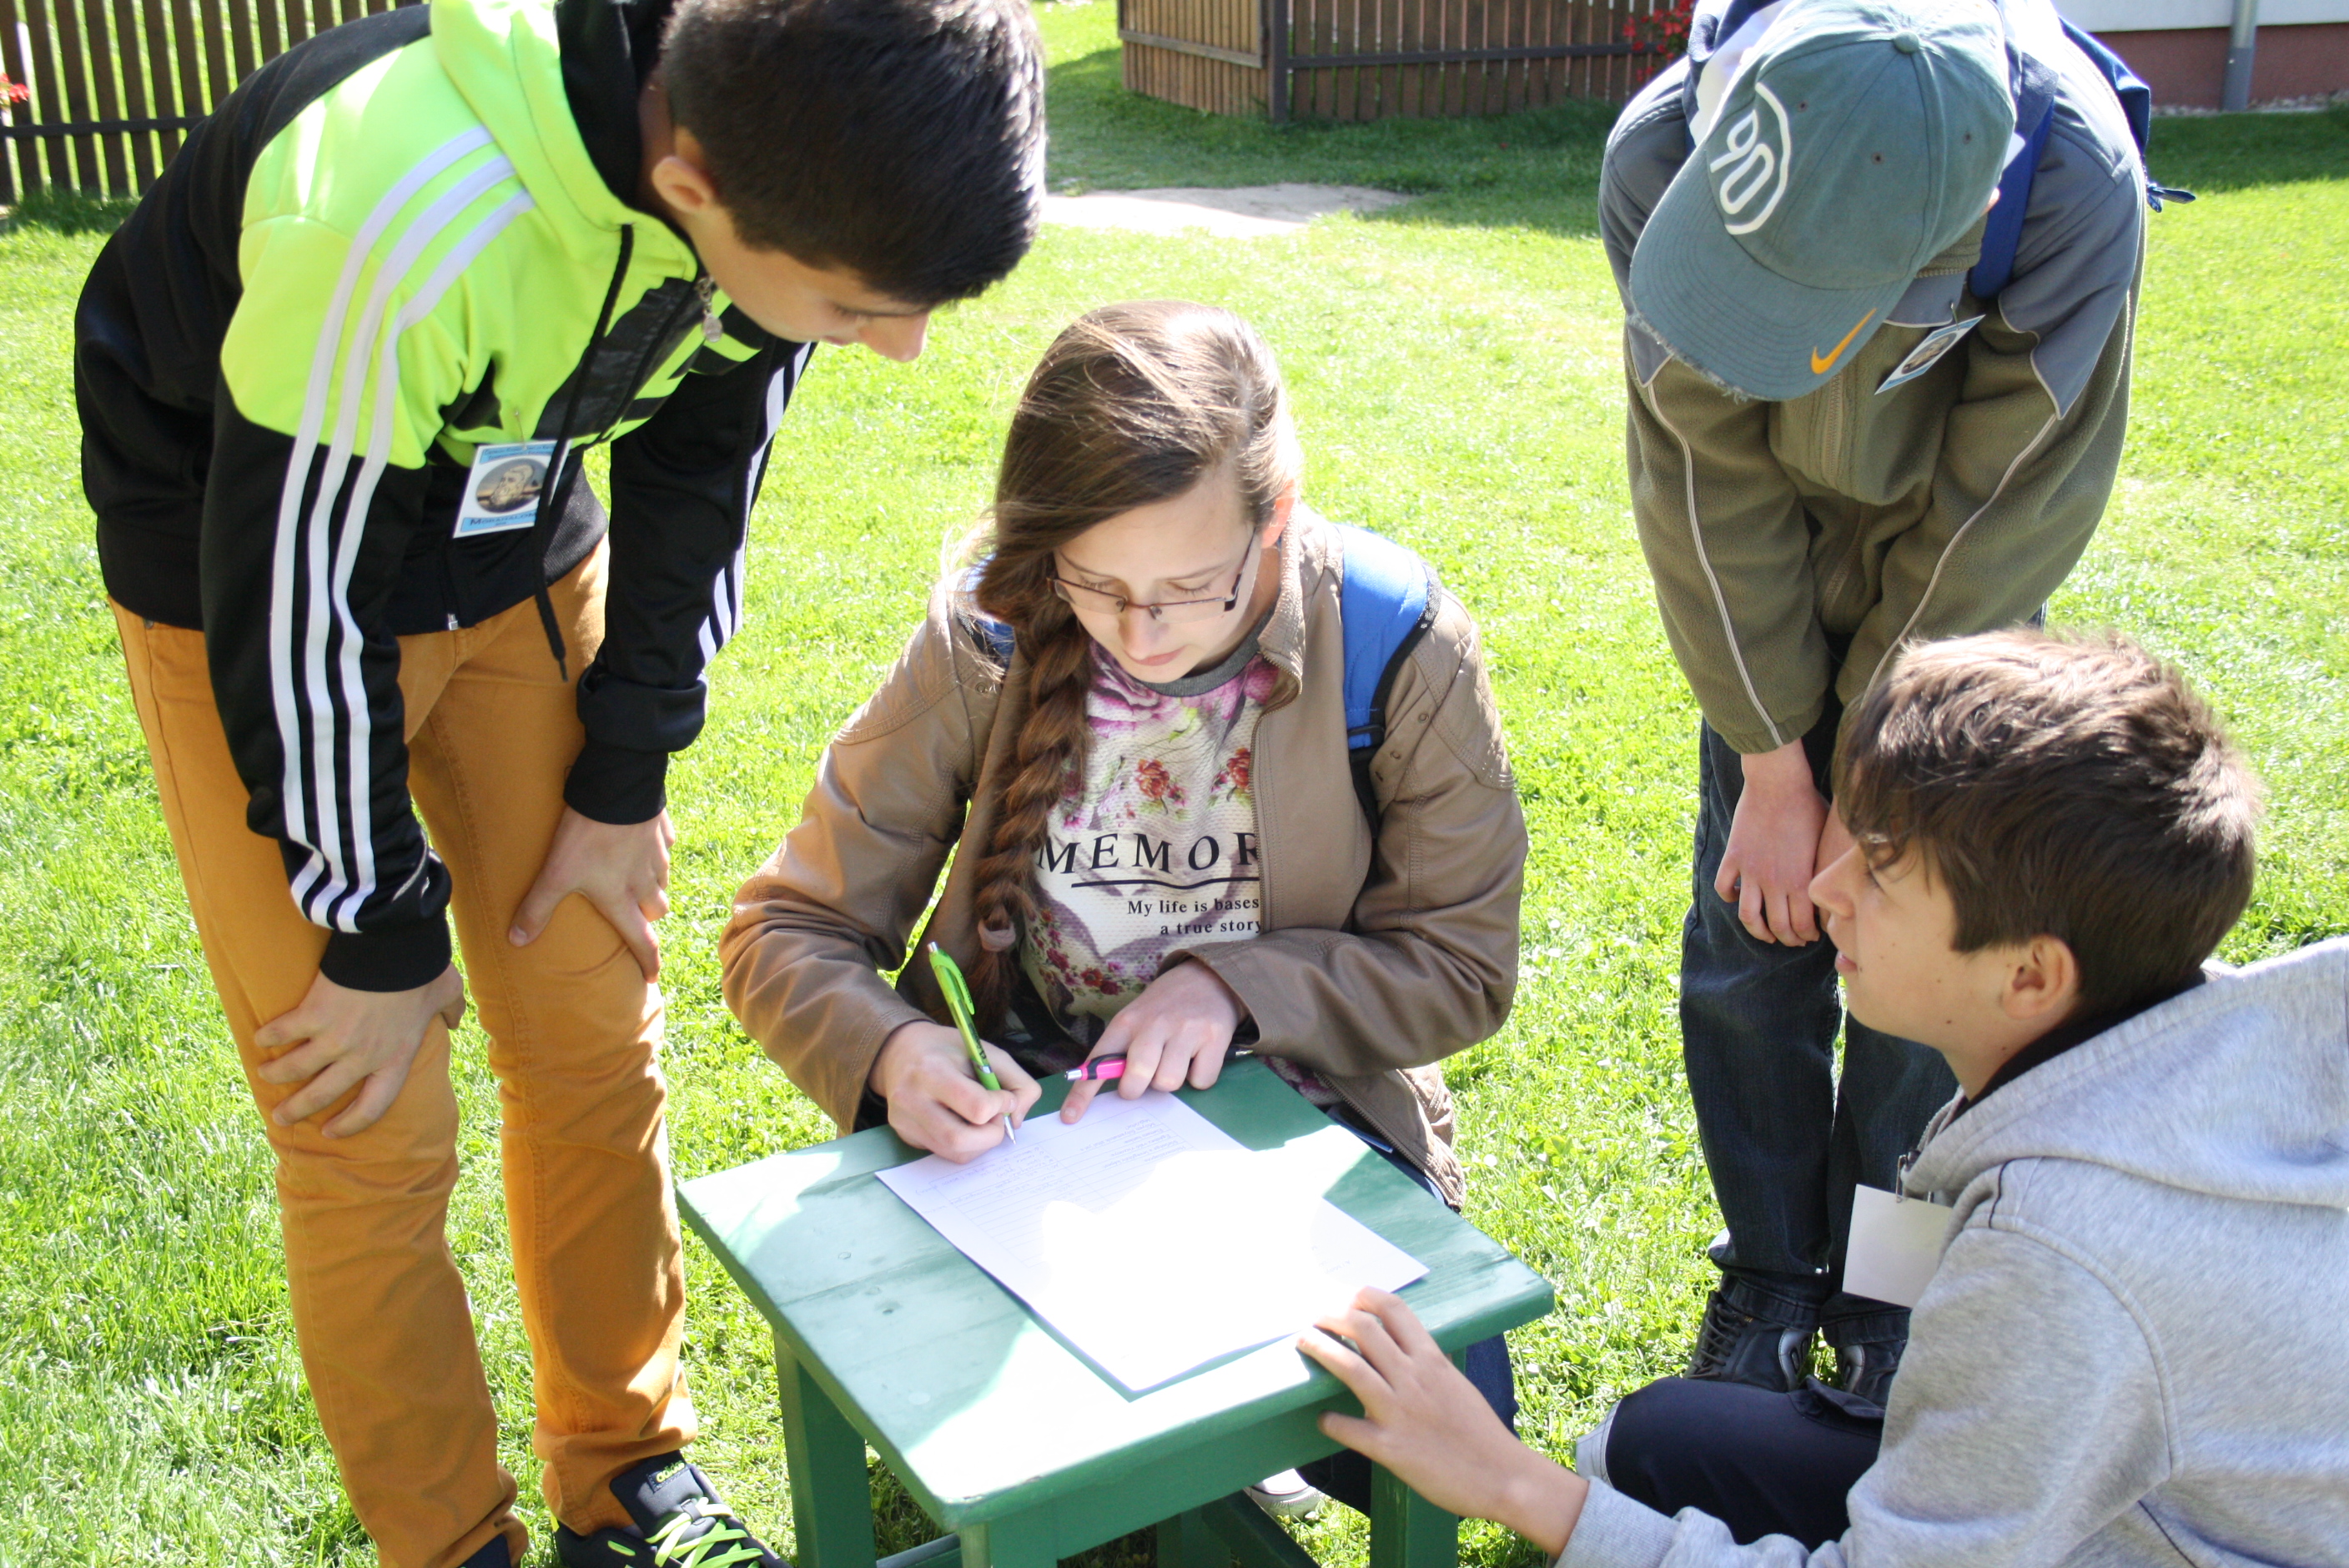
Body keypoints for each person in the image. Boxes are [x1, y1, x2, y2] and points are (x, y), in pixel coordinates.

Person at [72, 0, 1044, 1559]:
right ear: (694, 182)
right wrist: (379, 933)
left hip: (512, 542)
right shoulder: (388, 210)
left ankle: (630, 1476)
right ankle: (451, 1542)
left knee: (593, 1035)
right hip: (240, 578)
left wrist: (620, 782)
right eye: (861, 307)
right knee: (364, 1118)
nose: (900, 344)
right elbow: (294, 606)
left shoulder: (775, 170)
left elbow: (700, 473)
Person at [1293, 629, 2349, 1565]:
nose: (1824, 886)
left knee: (1603, 1481)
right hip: (2123, 1488)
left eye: (1877, 873)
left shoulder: (2058, 1256)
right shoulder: (2168, 1037)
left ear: (2028, 973)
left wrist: (1505, 1480)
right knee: (1653, 1444)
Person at [721, 299, 1528, 1518]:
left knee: (1439, 1438)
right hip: (1024, 1133)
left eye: (1190, 588)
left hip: (1298, 1121)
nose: (1138, 633)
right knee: (1023, 1446)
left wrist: (1235, 989)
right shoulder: (987, 634)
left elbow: (1460, 965)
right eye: (1093, 584)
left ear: (1276, 517)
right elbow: (786, 930)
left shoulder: (1395, 641)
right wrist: (895, 1052)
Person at [1599, 0, 2156, 1399]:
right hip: (1765, 597)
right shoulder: (1660, 155)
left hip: (1953, 614)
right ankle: (1770, 1272)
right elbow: (1699, 479)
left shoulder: (2072, 195)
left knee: (1929, 976)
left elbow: (1994, 519)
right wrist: (1772, 767)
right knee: (1753, 944)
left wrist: (1870, 777)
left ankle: (1892, 1290)